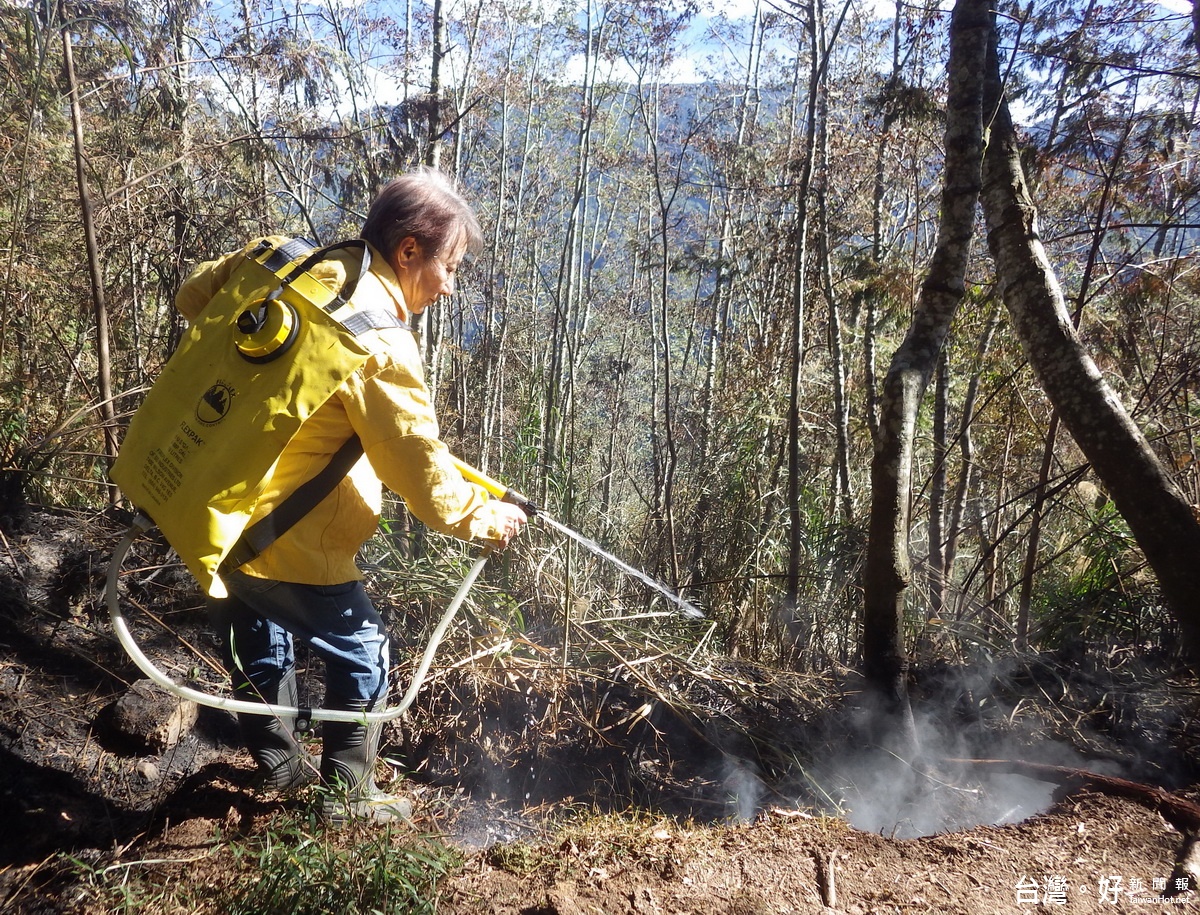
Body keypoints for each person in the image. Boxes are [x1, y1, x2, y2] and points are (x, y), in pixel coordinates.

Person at [174, 167, 528, 823]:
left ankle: (279, 767)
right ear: (410, 251)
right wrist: (483, 518)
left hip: (213, 510)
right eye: (448, 266)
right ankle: (347, 795)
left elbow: (195, 295)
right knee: (364, 648)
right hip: (287, 537)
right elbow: (418, 472)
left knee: (258, 627)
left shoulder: (282, 260)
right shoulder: (380, 340)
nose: (449, 286)